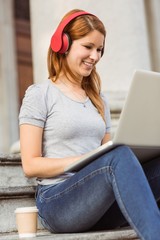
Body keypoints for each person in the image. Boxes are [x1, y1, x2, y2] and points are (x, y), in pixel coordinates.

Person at [19, 9, 160, 240]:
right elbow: (30, 165)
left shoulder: (98, 100)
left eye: (99, 50)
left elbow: (109, 154)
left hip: (98, 204)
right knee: (119, 156)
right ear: (63, 44)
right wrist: (83, 160)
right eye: (88, 47)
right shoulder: (40, 94)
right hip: (57, 201)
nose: (94, 56)